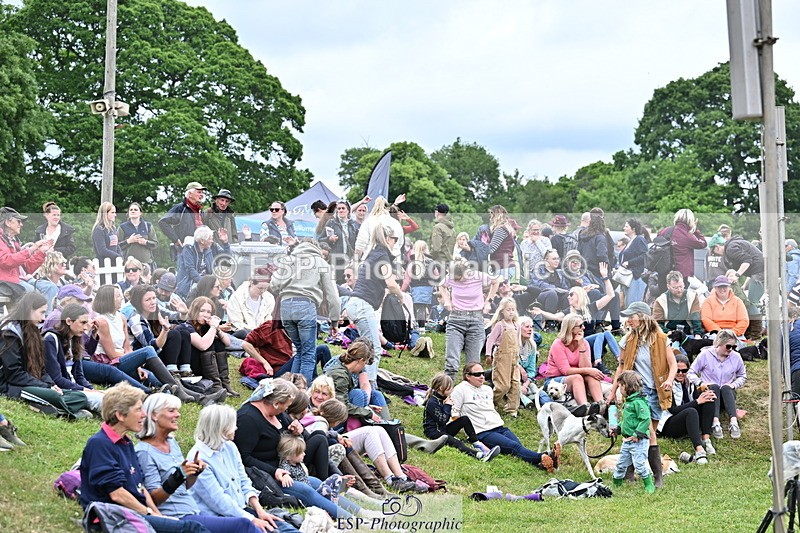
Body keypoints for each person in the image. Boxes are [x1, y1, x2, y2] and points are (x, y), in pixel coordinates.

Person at [79, 382, 211, 533]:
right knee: (193, 528)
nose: (143, 414)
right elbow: (117, 495)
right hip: (115, 517)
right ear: (120, 415)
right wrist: (149, 513)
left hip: (137, 513)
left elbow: (140, 488)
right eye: (138, 410)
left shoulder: (126, 443)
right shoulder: (100, 444)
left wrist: (157, 515)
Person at [233, 378, 368, 519]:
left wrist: (298, 430)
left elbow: (303, 435)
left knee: (316, 483)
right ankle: (352, 519)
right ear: (276, 403)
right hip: (263, 476)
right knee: (306, 490)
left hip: (285, 469)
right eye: (286, 406)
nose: (287, 410)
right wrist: (275, 471)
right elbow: (243, 458)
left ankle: (361, 512)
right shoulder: (248, 418)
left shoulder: (277, 413)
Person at [185, 403, 296, 532]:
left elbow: (244, 481)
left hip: (241, 510)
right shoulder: (199, 459)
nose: (236, 428)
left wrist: (260, 511)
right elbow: (218, 502)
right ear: (220, 428)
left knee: (284, 527)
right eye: (232, 425)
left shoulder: (230, 447)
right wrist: (252, 519)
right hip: (219, 518)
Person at [608, 301, 676, 488]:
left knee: (645, 434)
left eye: (632, 316)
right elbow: (621, 367)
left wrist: (669, 380)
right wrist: (613, 391)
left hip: (656, 391)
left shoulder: (661, 338)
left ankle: (635, 473)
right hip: (636, 392)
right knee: (648, 432)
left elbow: (673, 364)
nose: (628, 320)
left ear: (643, 316)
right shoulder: (627, 340)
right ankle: (655, 477)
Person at [90, 285, 197, 401]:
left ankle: (200, 396)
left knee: (159, 380)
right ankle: (180, 392)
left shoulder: (121, 317)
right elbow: (112, 355)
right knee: (148, 350)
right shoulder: (101, 322)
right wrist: (136, 359)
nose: (121, 298)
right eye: (118, 296)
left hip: (123, 360)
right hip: (109, 363)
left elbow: (127, 349)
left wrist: (135, 363)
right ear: (108, 299)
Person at [451, 362, 560, 471]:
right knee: (514, 447)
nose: (482, 377)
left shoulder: (487, 389)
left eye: (483, 374)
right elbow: (454, 413)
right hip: (483, 432)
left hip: (499, 426)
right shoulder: (460, 389)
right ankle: (545, 456)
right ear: (467, 376)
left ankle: (542, 464)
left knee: (518, 447)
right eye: (477, 374)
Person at [0, 292, 90, 418]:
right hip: (9, 386)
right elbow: (14, 374)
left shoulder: (33, 331)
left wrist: (51, 384)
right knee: (54, 396)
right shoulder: (10, 333)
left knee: (80, 397)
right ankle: (65, 413)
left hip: (32, 383)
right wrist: (46, 386)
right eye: (41, 312)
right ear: (30, 310)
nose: (43, 318)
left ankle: (53, 407)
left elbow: (42, 368)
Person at [271, 238, 340, 385]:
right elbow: (333, 296)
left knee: (300, 351)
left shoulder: (287, 260)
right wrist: (334, 321)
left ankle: (291, 391)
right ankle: (302, 397)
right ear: (316, 248)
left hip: (286, 307)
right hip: (305, 306)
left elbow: (274, 285)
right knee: (308, 355)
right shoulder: (321, 263)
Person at [344, 224, 403, 385]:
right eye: (395, 239)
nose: (395, 243)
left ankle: (354, 380)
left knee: (363, 348)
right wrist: (400, 295)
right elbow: (390, 283)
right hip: (362, 305)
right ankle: (370, 385)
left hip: (355, 304)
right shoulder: (382, 255)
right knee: (374, 350)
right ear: (388, 239)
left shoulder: (373, 254)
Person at [441, 258, 500, 379]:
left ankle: (471, 393)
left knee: (473, 365)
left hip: (476, 318)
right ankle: (446, 392)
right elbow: (441, 286)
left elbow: (496, 281)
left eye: (459, 278)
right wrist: (447, 300)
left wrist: (488, 301)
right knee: (451, 361)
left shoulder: (477, 276)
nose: (457, 281)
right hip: (456, 319)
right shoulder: (451, 277)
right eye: (455, 279)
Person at [422, 373, 500, 461]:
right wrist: (448, 406)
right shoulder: (432, 402)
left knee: (464, 419)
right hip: (433, 432)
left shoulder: (443, 398)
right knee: (457, 442)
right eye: (450, 388)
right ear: (441, 388)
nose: (452, 390)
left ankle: (476, 443)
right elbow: (442, 420)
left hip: (443, 429)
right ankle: (479, 456)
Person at [43, 303, 105, 412]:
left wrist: (91, 389)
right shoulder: (51, 339)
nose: (86, 327)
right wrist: (84, 390)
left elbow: (79, 376)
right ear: (68, 321)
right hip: (64, 390)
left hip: (75, 388)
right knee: (105, 401)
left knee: (112, 396)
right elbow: (56, 378)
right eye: (82, 323)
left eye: (87, 322)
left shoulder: (75, 339)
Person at [688, 330, 747, 440]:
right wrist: (701, 383)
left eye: (734, 347)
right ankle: (715, 422)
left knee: (726, 388)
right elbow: (691, 372)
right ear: (719, 343)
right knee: (714, 386)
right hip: (708, 394)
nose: (731, 350)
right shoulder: (705, 354)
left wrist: (733, 385)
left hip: (726, 395)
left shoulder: (736, 357)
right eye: (728, 346)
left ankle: (733, 422)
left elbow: (742, 376)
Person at [658, 354, 716, 463]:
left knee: (708, 398)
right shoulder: (667, 384)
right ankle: (699, 449)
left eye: (684, 371)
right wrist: (697, 401)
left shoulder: (689, 383)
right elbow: (673, 410)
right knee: (691, 411)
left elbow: (695, 400)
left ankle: (706, 439)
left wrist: (703, 396)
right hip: (669, 424)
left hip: (686, 419)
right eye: (677, 371)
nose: (680, 374)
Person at [128, 284, 195, 380]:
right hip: (144, 361)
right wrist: (165, 330)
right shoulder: (136, 320)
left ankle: (185, 371)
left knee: (184, 332)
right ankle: (171, 373)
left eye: (154, 298)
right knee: (173, 334)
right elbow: (151, 347)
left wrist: (183, 313)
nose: (153, 302)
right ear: (139, 303)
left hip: (157, 355)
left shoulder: (155, 311)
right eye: (148, 300)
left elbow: (177, 318)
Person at [543, 314, 604, 415]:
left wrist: (581, 346)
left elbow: (586, 367)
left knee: (592, 376)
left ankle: (601, 406)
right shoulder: (558, 344)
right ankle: (585, 408)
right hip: (555, 379)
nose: (583, 327)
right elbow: (565, 370)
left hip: (575, 377)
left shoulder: (584, 342)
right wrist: (589, 370)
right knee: (577, 377)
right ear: (571, 328)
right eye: (580, 326)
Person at [178, 296, 236, 398]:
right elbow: (203, 346)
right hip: (189, 367)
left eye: (209, 312)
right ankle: (215, 384)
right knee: (208, 341)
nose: (205, 315)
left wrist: (217, 328)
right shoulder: (186, 326)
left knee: (219, 342)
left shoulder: (206, 327)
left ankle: (224, 383)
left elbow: (227, 343)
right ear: (195, 311)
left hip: (205, 365)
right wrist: (213, 327)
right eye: (202, 311)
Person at [323, 340, 389, 426]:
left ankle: (388, 424)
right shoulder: (340, 376)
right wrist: (368, 413)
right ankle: (354, 430)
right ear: (361, 361)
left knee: (376, 394)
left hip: (337, 410)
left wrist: (367, 408)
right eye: (365, 363)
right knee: (358, 393)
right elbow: (342, 405)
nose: (364, 366)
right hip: (332, 418)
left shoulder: (344, 370)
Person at [611, 371, 655, 494]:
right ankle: (616, 484)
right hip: (627, 441)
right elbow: (627, 421)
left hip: (638, 441)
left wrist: (637, 434)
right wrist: (618, 429)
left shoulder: (638, 402)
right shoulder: (629, 402)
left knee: (640, 465)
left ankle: (649, 484)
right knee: (621, 464)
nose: (619, 388)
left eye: (620, 386)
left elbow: (645, 419)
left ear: (625, 386)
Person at [0, 206, 52, 298]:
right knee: (32, 295)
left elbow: (27, 268)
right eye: (19, 221)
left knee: (50, 288)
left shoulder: (15, 242)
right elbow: (5, 261)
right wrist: (31, 249)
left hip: (20, 279)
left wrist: (41, 251)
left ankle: (48, 313)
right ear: (8, 222)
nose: (21, 225)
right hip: (6, 282)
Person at [484, 297, 521, 416]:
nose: (511, 312)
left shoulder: (517, 325)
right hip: (502, 357)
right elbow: (490, 340)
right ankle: (492, 401)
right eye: (508, 309)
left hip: (514, 357)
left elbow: (518, 340)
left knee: (516, 383)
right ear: (502, 311)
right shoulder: (500, 325)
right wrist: (488, 354)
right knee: (503, 385)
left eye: (513, 309)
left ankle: (511, 409)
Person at [175, 226, 231, 299]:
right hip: (190, 284)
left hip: (207, 283)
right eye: (210, 239)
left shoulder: (210, 247)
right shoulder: (189, 249)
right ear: (202, 241)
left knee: (227, 291)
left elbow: (226, 258)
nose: (212, 241)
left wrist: (225, 242)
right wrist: (205, 283)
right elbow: (190, 270)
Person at [159, 182, 208, 256]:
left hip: (200, 251)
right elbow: (162, 222)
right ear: (190, 194)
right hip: (183, 251)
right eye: (199, 192)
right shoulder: (180, 208)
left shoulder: (201, 210)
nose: (202, 195)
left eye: (202, 193)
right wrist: (175, 239)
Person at [660, 209, 707, 282]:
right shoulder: (688, 236)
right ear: (690, 221)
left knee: (664, 293)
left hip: (663, 272)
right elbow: (703, 243)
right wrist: (695, 229)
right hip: (681, 275)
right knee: (680, 292)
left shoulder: (664, 231)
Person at [652, 270, 703, 336]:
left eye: (681, 286)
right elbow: (657, 323)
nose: (679, 290)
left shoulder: (692, 297)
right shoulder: (660, 301)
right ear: (668, 286)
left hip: (689, 334)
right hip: (668, 334)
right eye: (675, 288)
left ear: (684, 284)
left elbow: (696, 318)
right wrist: (668, 332)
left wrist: (697, 334)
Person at [401, 240, 439, 327]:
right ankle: (425, 325)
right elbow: (436, 276)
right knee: (425, 307)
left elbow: (407, 280)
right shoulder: (431, 262)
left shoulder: (412, 263)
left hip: (416, 289)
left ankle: (420, 327)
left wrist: (401, 290)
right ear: (426, 249)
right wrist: (436, 287)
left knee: (419, 308)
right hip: (428, 288)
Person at [616, 218, 650, 306]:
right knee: (627, 305)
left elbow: (645, 256)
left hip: (636, 277)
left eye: (626, 226)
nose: (624, 228)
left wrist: (629, 262)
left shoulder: (639, 240)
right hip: (628, 278)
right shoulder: (631, 241)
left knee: (633, 305)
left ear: (633, 229)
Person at [118, 202, 158, 268]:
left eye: (135, 210)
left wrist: (145, 242)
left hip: (146, 264)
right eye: (131, 210)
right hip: (129, 265)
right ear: (128, 213)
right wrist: (128, 241)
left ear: (140, 213)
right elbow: (117, 246)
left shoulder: (148, 226)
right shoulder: (122, 227)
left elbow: (155, 244)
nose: (133, 211)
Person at [487, 205, 517, 280]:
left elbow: (492, 248)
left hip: (502, 266)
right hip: (505, 266)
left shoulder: (501, 229)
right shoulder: (506, 228)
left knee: (499, 290)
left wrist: (479, 248)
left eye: (491, 214)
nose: (490, 218)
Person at [430, 204, 455, 268]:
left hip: (439, 263)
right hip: (449, 262)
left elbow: (436, 248)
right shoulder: (452, 229)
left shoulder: (437, 227)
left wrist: (431, 257)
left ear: (437, 212)